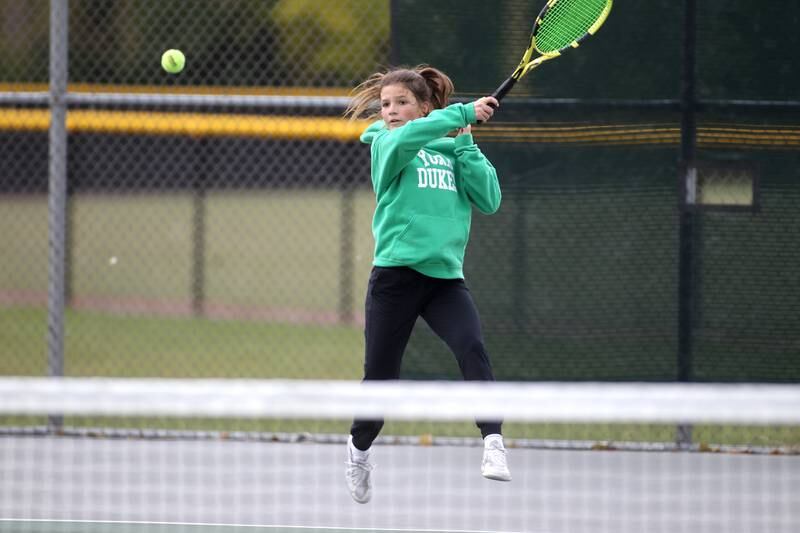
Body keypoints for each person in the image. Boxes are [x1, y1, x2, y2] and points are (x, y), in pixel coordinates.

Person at [342, 65, 510, 504]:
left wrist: (466, 139)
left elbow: (489, 200)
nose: (391, 111)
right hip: (395, 278)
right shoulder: (386, 143)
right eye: (385, 104)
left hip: (444, 280)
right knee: (380, 378)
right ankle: (358, 451)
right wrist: (460, 115)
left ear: (423, 107)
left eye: (401, 103)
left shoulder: (454, 147)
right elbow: (402, 137)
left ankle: (493, 441)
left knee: (472, 348)